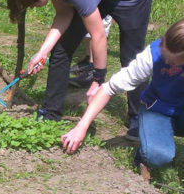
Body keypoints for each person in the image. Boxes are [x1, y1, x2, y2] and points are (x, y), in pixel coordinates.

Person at [6, 0, 152, 141]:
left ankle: (139, 118)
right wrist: (42, 52)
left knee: (132, 57)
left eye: (31, 2)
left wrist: (98, 81)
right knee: (61, 49)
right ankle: (50, 112)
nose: (31, 7)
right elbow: (64, 15)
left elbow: (98, 36)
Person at [61, 19, 184, 178]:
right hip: (158, 109)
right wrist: (81, 127)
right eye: (165, 56)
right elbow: (109, 88)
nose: (167, 62)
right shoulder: (154, 54)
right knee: (158, 156)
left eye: (173, 62)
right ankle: (144, 155)